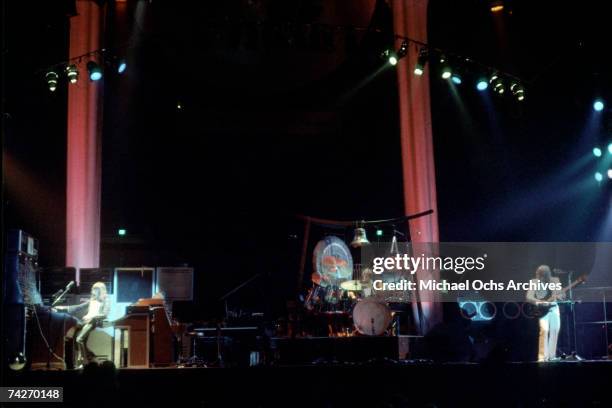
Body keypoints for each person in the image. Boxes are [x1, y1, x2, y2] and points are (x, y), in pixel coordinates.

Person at [56, 282, 110, 366]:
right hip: (85, 321)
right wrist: (63, 308)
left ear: (100, 290)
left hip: (94, 321)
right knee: (77, 340)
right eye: (93, 289)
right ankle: (93, 358)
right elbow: (78, 307)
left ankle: (83, 361)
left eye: (96, 289)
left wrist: (93, 317)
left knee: (79, 339)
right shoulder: (92, 300)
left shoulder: (105, 300)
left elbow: (105, 314)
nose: (93, 291)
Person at [525, 265, 564, 362]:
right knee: (544, 331)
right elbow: (529, 297)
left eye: (542, 275)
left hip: (554, 307)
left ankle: (552, 356)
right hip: (542, 310)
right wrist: (541, 302)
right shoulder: (534, 282)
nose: (540, 277)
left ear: (547, 274)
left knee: (555, 330)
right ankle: (543, 358)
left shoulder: (555, 280)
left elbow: (561, 294)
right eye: (539, 275)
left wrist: (561, 295)